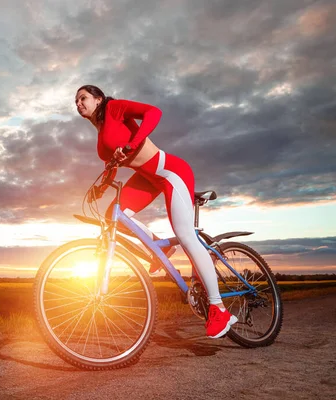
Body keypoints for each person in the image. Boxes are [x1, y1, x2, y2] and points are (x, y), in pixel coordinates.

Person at [75, 84, 238, 339]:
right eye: (76, 101)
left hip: (169, 172)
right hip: (146, 179)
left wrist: (133, 143)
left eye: (82, 98)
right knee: (113, 217)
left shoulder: (115, 108)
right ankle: (160, 247)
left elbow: (154, 112)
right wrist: (101, 186)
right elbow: (113, 164)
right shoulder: (100, 129)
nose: (78, 103)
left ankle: (219, 308)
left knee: (185, 234)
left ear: (98, 99)